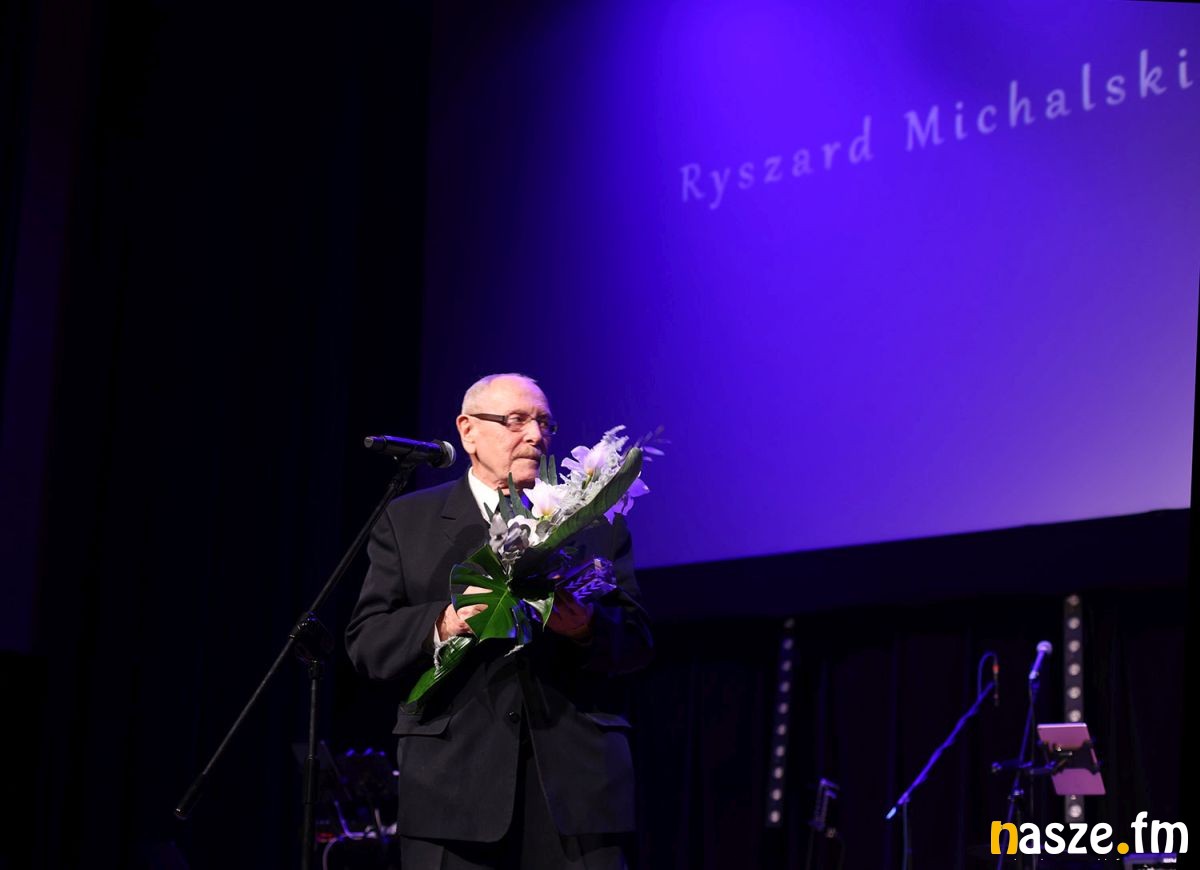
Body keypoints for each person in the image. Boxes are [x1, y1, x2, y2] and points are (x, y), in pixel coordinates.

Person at [346, 373, 653, 870]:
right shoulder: (408, 520)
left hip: (576, 794)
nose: (535, 435)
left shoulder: (595, 522)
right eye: (516, 421)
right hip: (452, 793)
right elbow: (367, 642)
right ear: (467, 431)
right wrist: (446, 622)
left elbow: (638, 641)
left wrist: (584, 628)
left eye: (544, 423)